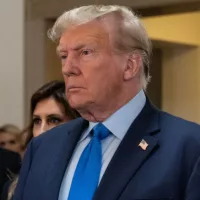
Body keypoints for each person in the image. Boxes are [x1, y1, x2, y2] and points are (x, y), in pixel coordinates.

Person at [13, 5, 200, 200]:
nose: (68, 68)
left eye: (85, 53)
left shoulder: (189, 148)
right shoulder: (43, 147)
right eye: (63, 56)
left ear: (130, 66)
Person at [2, 80, 79, 200]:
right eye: (37, 121)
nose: (41, 131)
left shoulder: (89, 178)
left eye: (54, 120)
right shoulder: (14, 188)